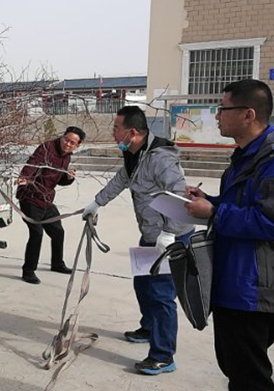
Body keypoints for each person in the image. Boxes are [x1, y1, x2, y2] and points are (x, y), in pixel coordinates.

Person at [185, 79, 274, 391]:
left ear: (248, 114)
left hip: (254, 290)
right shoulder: (248, 157)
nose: (217, 116)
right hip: (235, 281)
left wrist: (214, 213)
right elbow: (244, 205)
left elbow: (273, 221)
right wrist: (209, 201)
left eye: (223, 109)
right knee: (237, 370)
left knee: (249, 379)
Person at [82, 106, 194, 375]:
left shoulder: (160, 158)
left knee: (162, 295)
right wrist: (96, 203)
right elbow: (120, 180)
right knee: (143, 284)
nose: (113, 133)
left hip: (171, 238)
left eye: (116, 128)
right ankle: (149, 328)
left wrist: (169, 232)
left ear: (132, 132)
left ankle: (163, 356)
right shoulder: (133, 155)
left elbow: (180, 195)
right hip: (150, 235)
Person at [16, 126, 86, 284]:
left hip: (46, 200)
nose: (68, 144)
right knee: (37, 233)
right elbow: (33, 163)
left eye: (72, 143)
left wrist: (68, 177)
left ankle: (57, 264)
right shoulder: (46, 148)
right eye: (66, 140)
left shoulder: (66, 156)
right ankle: (28, 271)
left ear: (77, 145)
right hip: (30, 197)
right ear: (62, 137)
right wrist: (25, 177)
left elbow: (59, 180)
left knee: (58, 232)